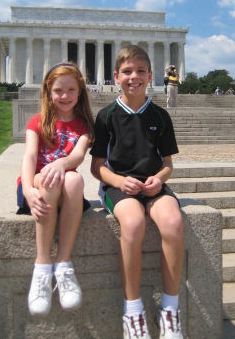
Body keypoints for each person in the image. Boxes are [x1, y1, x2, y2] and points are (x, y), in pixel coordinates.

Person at [90, 45, 184, 339]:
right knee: (132, 222)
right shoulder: (106, 116)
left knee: (172, 222)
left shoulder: (160, 116)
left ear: (151, 75)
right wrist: (118, 182)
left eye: (140, 71)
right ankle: (133, 311)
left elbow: (167, 165)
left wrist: (158, 178)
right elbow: (97, 168)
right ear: (116, 76)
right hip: (118, 187)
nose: (134, 77)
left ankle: (170, 309)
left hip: (153, 185)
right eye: (127, 72)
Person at [18, 62, 94, 318]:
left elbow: (78, 155)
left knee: (73, 179)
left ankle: (63, 264)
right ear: (48, 93)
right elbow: (29, 156)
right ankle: (42, 266)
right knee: (50, 178)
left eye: (71, 90)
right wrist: (28, 189)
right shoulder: (37, 121)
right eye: (59, 90)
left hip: (66, 191)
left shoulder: (83, 125)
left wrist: (61, 163)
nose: (65, 96)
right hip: (37, 188)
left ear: (80, 92)